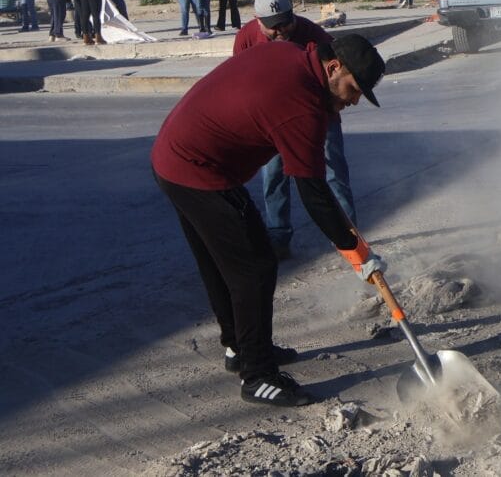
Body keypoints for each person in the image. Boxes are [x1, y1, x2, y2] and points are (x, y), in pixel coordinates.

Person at [151, 33, 387, 407]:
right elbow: (313, 193)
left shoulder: (291, 53)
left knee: (222, 261)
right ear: (333, 67)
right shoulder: (302, 105)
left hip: (175, 155)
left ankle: (238, 348)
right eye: (354, 89)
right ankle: (257, 375)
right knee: (255, 266)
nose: (354, 100)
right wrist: (355, 251)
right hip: (198, 169)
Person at [234, 0, 358, 260]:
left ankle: (349, 236)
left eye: (285, 22)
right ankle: (279, 236)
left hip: (318, 115)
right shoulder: (246, 38)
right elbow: (239, 79)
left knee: (332, 172)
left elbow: (340, 77)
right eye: (273, 27)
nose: (281, 31)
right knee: (273, 176)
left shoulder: (314, 36)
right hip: (272, 119)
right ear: (258, 21)